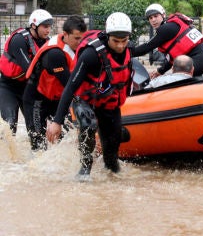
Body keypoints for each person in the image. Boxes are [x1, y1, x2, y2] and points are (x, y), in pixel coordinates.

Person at [46, 12, 133, 180]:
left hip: (107, 103)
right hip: (84, 101)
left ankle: (112, 178)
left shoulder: (128, 49)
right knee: (88, 123)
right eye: (116, 41)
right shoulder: (91, 55)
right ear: (108, 37)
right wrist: (57, 121)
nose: (121, 46)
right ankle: (84, 171)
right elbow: (70, 87)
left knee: (112, 156)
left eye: (124, 41)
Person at [23, 15, 87, 151]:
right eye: (76, 38)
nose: (80, 41)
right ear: (65, 34)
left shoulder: (77, 46)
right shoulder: (55, 54)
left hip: (56, 98)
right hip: (37, 99)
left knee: (65, 138)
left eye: (82, 38)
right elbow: (71, 85)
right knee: (39, 144)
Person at [0, 9, 53, 135]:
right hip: (9, 87)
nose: (48, 30)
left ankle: (39, 154)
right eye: (45, 27)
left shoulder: (47, 42)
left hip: (28, 88)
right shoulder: (19, 40)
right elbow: (29, 69)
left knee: (36, 130)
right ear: (34, 26)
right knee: (10, 125)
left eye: (49, 27)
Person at [134, 3, 203, 78]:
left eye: (156, 16)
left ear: (163, 15)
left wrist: (125, 52)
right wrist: (160, 71)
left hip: (196, 63)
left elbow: (146, 47)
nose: (153, 20)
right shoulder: (172, 25)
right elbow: (171, 59)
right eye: (150, 18)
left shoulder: (166, 28)